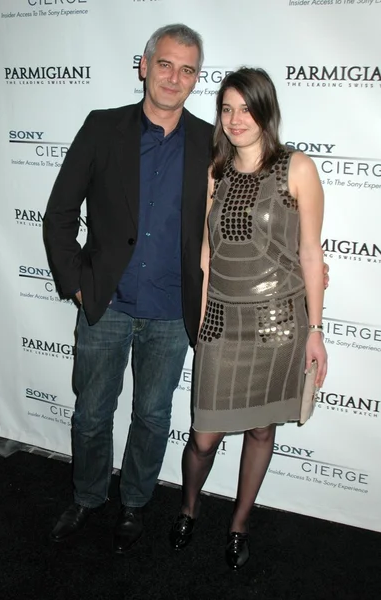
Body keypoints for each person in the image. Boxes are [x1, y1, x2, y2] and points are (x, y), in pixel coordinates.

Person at [43, 23, 213, 552]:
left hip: (170, 311)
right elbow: (59, 214)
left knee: (152, 416)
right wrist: (77, 286)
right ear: (143, 66)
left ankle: (135, 503)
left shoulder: (212, 141)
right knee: (92, 412)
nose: (174, 77)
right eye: (165, 64)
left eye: (187, 70)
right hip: (106, 304)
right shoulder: (102, 127)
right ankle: (89, 496)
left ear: (196, 80)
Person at [169, 67, 328, 570]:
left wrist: (317, 331)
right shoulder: (215, 171)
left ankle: (239, 524)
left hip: (279, 324)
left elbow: (308, 253)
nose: (236, 119)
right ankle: (189, 509)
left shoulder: (296, 167)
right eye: (227, 108)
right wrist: (200, 328)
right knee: (203, 437)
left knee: (261, 432)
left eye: (246, 107)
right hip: (220, 322)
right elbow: (205, 256)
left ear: (266, 111)